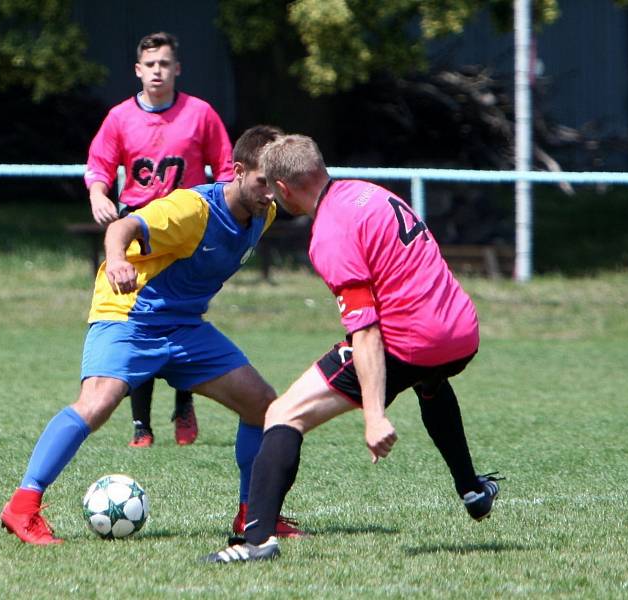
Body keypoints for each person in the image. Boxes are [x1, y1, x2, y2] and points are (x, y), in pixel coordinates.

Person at [1, 125, 305, 545]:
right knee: (99, 402)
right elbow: (120, 230)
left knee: (262, 405)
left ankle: (253, 517)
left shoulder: (262, 211)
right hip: (131, 314)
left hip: (184, 326)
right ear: (236, 171)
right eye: (262, 182)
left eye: (277, 184)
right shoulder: (192, 209)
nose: (271, 193)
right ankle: (22, 505)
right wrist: (117, 262)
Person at [205, 134, 502, 563]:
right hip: (460, 332)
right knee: (429, 381)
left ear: (286, 189)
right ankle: (471, 488)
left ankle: (256, 541)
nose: (269, 195)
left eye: (273, 186)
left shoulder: (329, 233)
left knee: (282, 414)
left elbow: (366, 332)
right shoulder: (369, 192)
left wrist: (375, 416)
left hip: (412, 342)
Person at [84, 31, 235, 448]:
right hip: (140, 229)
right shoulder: (120, 117)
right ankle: (141, 425)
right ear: (138, 70)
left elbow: (225, 170)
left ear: (177, 69)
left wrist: (222, 217)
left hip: (187, 232)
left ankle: (184, 403)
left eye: (165, 64)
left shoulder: (200, 113)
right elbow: (99, 165)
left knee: (181, 314)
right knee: (140, 317)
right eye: (150, 64)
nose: (157, 71)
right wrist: (99, 194)